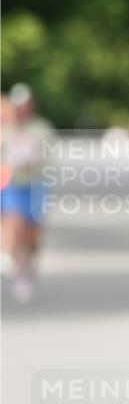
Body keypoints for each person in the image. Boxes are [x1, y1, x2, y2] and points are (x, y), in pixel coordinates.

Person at [0, 83, 55, 302]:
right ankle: (14, 263)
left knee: (32, 236)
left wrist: (34, 160)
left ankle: (27, 267)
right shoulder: (6, 129)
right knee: (14, 223)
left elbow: (50, 157)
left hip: (36, 184)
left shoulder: (42, 128)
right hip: (14, 184)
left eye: (25, 104)